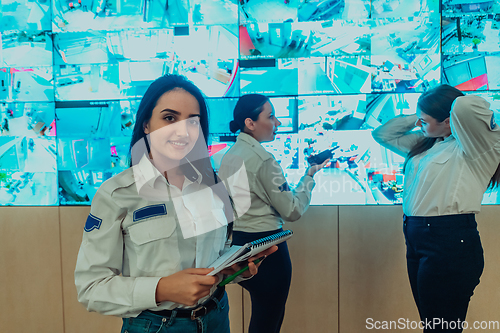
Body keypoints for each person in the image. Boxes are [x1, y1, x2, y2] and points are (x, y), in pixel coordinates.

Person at [74, 75, 276, 333]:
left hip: (217, 317)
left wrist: (231, 269)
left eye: (193, 121)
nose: (183, 131)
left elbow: (213, 256)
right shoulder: (117, 194)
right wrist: (162, 289)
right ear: (146, 124)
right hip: (156, 326)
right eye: (169, 118)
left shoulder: (211, 185)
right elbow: (91, 288)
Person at [372, 85, 500, 332]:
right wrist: (421, 114)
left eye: (424, 121)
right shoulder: (424, 144)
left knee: (441, 329)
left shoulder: (474, 148)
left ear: (450, 121)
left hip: (449, 242)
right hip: (417, 239)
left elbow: (464, 106)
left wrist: (447, 110)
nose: (419, 124)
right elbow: (382, 135)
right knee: (433, 325)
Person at [218, 94, 329, 333]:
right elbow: (292, 210)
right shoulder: (264, 160)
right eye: (271, 117)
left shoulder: (229, 155)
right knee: (267, 323)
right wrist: (309, 177)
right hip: (267, 251)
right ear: (250, 123)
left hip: (238, 245)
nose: (277, 122)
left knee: (261, 320)